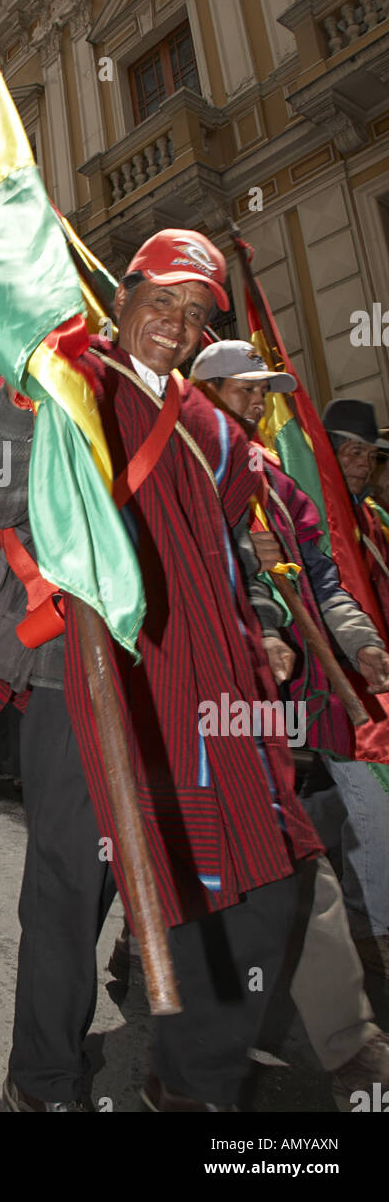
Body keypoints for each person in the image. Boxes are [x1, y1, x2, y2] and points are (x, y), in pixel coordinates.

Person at [0, 228, 323, 1113]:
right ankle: (42, 1077)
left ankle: (190, 1077)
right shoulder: (62, 374)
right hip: (74, 679)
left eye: (196, 313)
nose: (178, 322)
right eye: (163, 299)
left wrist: (274, 627)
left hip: (195, 692)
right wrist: (18, 388)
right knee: (70, 889)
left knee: (254, 866)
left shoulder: (211, 429)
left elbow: (264, 545)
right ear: (121, 298)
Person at [187, 342, 389, 1098]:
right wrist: (256, 613)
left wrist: (362, 644)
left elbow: (325, 579)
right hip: (204, 690)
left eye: (260, 393)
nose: (255, 403)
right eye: (242, 391)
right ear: (203, 394)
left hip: (270, 703)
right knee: (238, 856)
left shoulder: (277, 481)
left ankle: (347, 1041)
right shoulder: (185, 465)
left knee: (290, 850)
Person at [316, 398, 389, 975]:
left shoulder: (375, 521)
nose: (363, 464)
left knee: (321, 821)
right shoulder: (313, 515)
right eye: (353, 452)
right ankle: (370, 939)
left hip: (377, 685)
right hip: (328, 690)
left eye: (370, 454)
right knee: (372, 807)